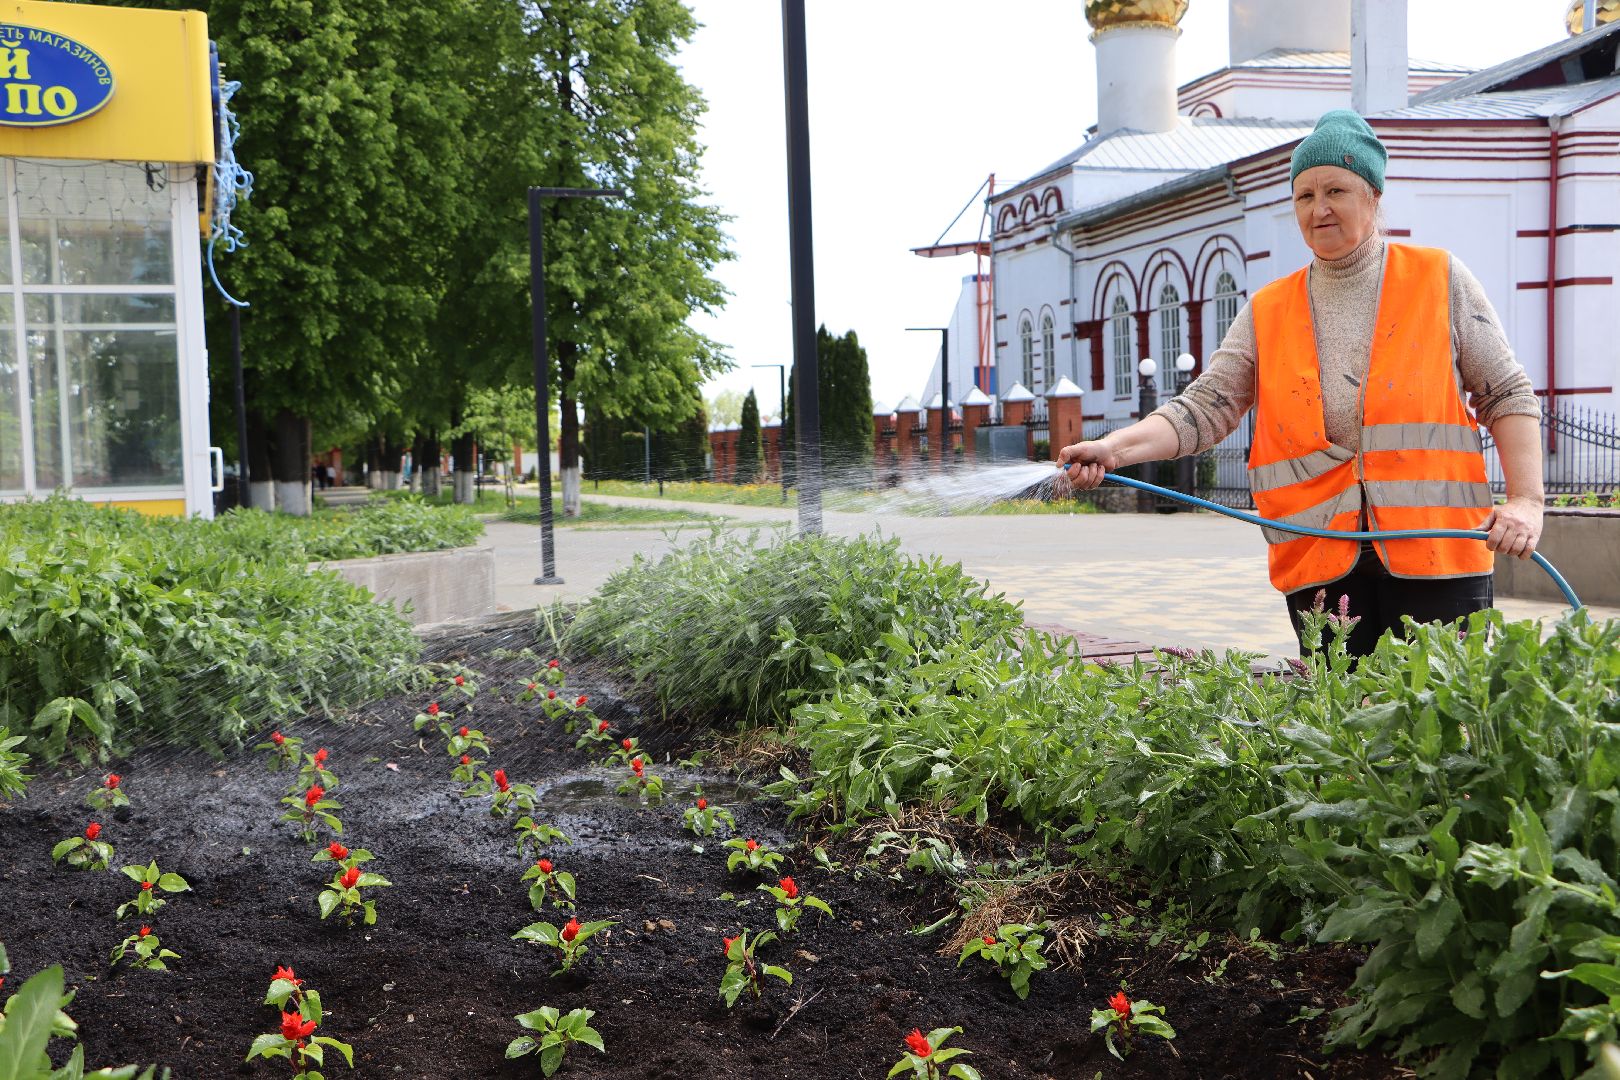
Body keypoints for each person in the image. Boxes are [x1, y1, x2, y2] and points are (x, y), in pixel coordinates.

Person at [1057, 110, 1545, 657]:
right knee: (1342, 730)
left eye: (1336, 189)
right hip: (1321, 558)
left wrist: (1526, 501)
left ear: (1374, 196)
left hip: (1439, 551)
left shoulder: (1439, 278)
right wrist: (1113, 450)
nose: (1320, 209)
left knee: (1446, 724)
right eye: (1304, 195)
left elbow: (1506, 392)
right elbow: (1204, 408)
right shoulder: (1269, 309)